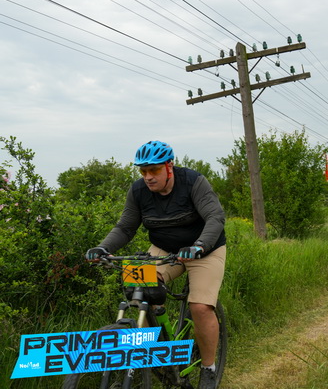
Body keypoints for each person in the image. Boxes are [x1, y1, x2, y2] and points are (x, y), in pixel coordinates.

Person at [85, 140, 226, 389]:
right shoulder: (139, 191)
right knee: (138, 293)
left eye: (154, 170)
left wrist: (200, 246)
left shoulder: (193, 182)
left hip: (204, 250)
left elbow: (215, 217)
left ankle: (208, 368)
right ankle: (160, 353)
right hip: (163, 250)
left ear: (169, 166)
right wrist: (103, 248)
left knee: (200, 307)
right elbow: (125, 227)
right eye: (143, 171)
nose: (148, 177)